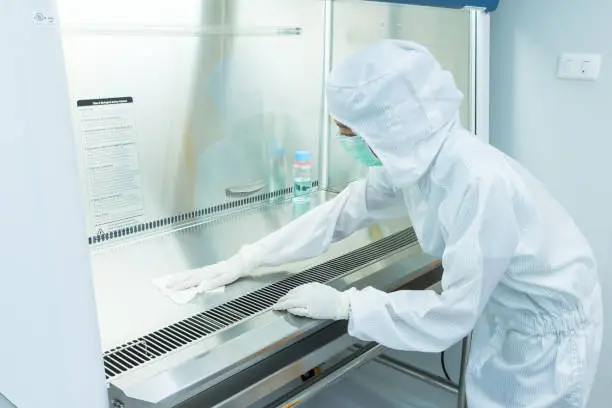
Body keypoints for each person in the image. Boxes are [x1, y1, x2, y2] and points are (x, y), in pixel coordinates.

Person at [168, 40, 603, 407]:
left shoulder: (476, 182)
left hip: (546, 340)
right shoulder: (417, 160)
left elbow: (451, 316)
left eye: (347, 131)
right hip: (507, 319)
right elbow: (343, 212)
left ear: (387, 126)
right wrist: (249, 259)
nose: (343, 140)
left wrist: (348, 306)